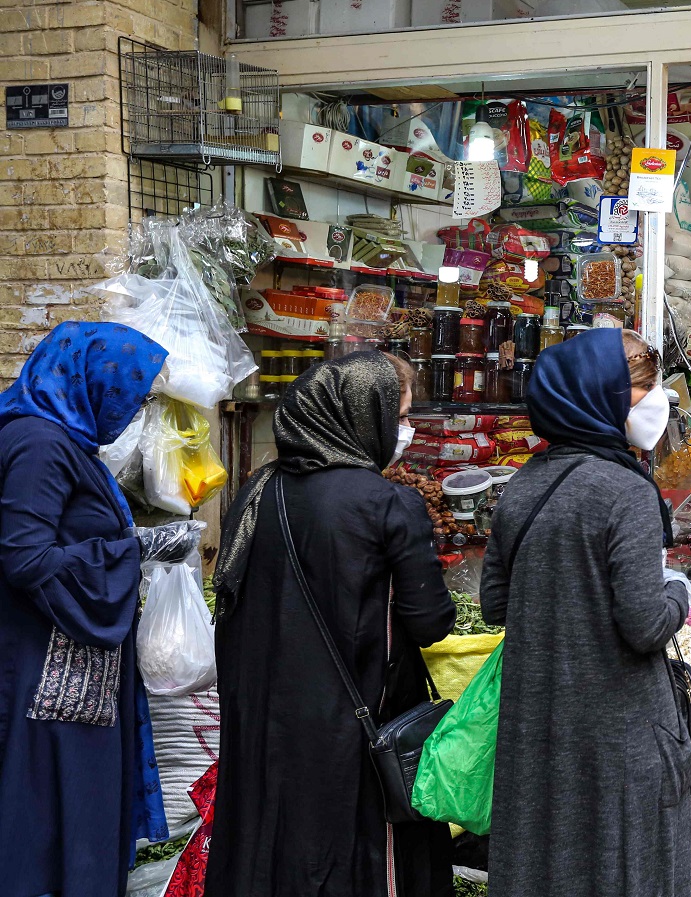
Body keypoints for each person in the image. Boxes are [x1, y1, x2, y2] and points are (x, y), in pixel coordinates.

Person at [208, 351, 457, 897]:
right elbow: (430, 621)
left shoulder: (256, 491)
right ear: (360, 418)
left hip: (266, 718)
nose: (403, 431)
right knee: (349, 850)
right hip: (354, 724)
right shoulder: (388, 503)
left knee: (273, 843)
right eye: (399, 417)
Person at [481, 328, 690, 897]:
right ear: (598, 399)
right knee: (622, 865)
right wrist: (681, 591)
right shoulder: (626, 491)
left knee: (542, 862)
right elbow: (646, 625)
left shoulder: (522, 485)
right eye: (642, 391)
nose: (656, 404)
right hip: (620, 730)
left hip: (536, 726)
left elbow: (494, 606)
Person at [0, 321, 194, 897]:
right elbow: (23, 555)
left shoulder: (64, 443)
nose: (133, 413)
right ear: (92, 383)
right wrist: (135, 548)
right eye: (132, 398)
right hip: (51, 672)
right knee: (51, 810)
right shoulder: (39, 444)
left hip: (68, 664)